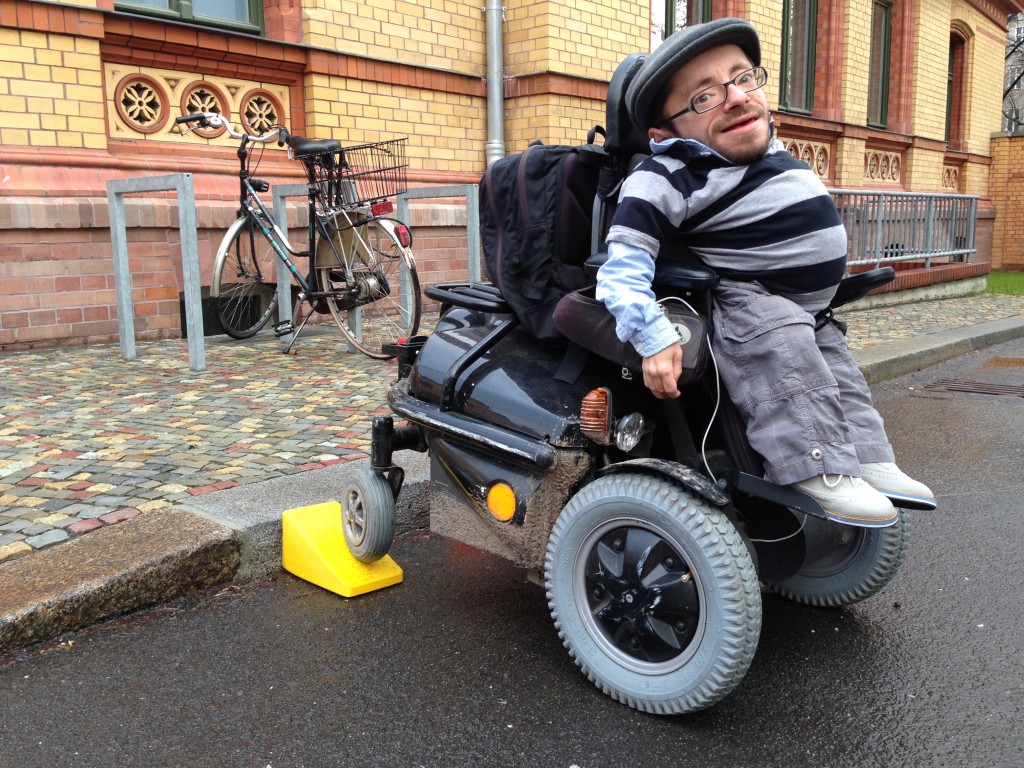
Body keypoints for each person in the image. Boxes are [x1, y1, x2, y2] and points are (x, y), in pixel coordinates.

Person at [596, 17, 936, 527]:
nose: (734, 97)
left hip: (805, 309)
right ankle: (813, 464)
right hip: (742, 301)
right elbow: (622, 267)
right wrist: (651, 333)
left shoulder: (766, 150)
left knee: (835, 368)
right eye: (704, 97)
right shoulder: (666, 174)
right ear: (664, 134)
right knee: (781, 342)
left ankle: (865, 456)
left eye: (742, 78)